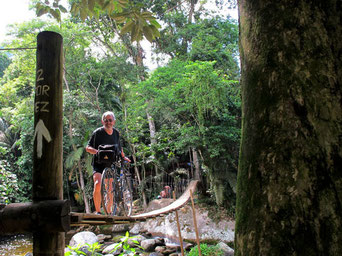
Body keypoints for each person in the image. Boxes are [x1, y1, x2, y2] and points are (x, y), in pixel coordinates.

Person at [86, 111, 131, 214]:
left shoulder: (116, 133)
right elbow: (88, 148)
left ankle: (109, 211)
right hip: (98, 163)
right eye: (106, 120)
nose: (108, 122)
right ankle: (98, 211)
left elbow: (119, 148)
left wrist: (124, 157)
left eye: (110, 120)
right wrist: (98, 152)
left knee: (109, 187)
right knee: (97, 184)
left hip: (110, 163)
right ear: (103, 121)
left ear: (114, 122)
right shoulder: (97, 133)